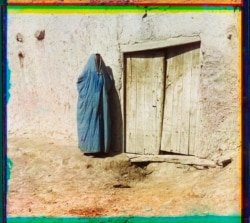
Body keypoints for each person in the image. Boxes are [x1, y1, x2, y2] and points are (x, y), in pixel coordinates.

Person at [76, 53, 113, 156]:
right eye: (96, 60)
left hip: (102, 105)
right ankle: (88, 148)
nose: (97, 62)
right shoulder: (87, 72)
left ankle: (100, 149)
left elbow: (109, 85)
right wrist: (86, 96)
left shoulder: (103, 73)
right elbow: (79, 82)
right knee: (88, 125)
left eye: (98, 60)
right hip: (89, 106)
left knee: (101, 125)